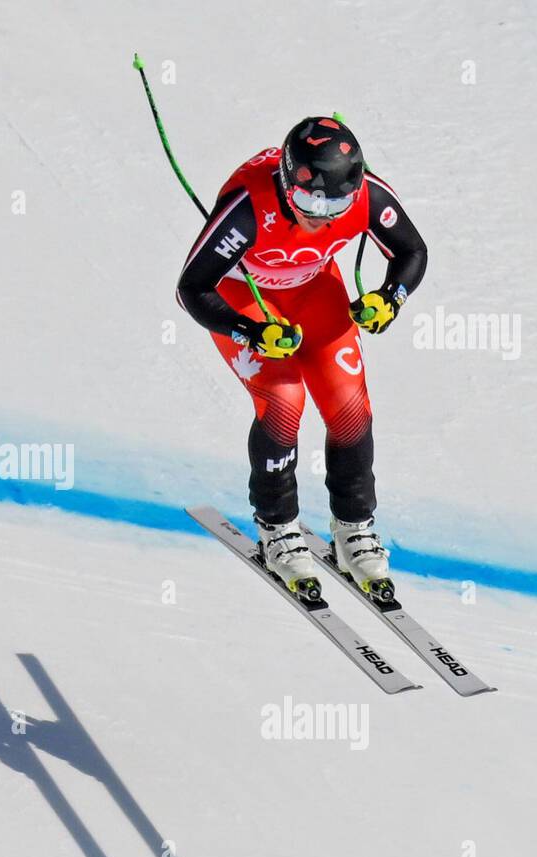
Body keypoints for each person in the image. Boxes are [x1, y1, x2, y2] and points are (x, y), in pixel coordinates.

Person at [176, 116, 427, 600]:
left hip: (312, 290)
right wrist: (248, 329)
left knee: (347, 401)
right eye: (312, 201)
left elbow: (412, 251)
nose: (323, 216)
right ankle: (277, 526)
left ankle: (354, 525)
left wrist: (390, 297)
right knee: (285, 398)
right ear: (289, 180)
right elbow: (192, 286)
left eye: (337, 204)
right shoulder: (251, 208)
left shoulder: (368, 197)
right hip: (243, 296)